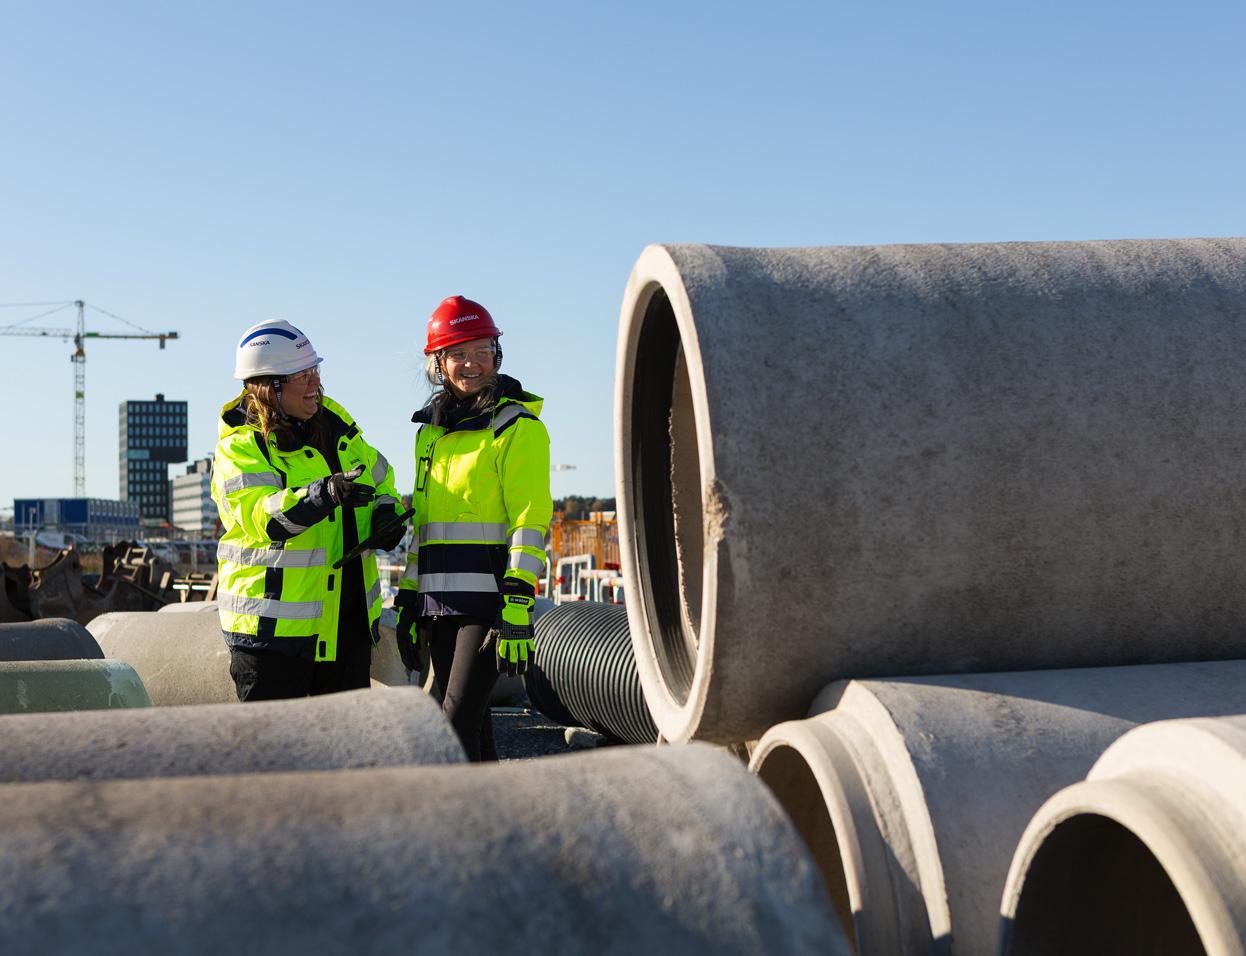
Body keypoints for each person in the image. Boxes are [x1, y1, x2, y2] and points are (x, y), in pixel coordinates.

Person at [212, 320, 405, 701]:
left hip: (344, 626)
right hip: (272, 636)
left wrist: (385, 513)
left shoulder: (338, 428)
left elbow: (381, 479)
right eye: (302, 374)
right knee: (276, 754)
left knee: (342, 750)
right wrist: (323, 494)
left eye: (315, 370)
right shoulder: (241, 447)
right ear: (271, 386)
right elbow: (263, 517)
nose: (315, 381)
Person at [394, 295, 552, 761]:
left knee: (452, 724)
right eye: (459, 353)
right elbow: (425, 527)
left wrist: (519, 599)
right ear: (438, 363)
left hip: (490, 603)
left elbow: (530, 518)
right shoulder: (431, 433)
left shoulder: (516, 428)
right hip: (438, 603)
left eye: (483, 350)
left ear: (497, 355)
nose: (472, 363)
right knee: (474, 731)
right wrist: (408, 596)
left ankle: (456, 827)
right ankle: (494, 825)